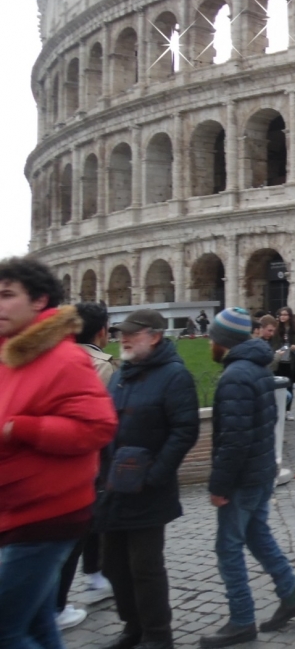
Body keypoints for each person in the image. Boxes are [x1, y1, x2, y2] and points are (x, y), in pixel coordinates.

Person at [0, 259, 118, 649]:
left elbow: (97, 426)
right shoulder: (10, 355)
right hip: (17, 507)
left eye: (7, 295)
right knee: (37, 625)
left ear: (39, 300)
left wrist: (21, 428)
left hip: (47, 513)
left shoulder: (63, 358)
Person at [202, 309, 295, 647]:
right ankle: (292, 595)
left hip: (244, 477)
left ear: (223, 341)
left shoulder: (235, 376)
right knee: (257, 535)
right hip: (261, 468)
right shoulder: (257, 367)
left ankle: (241, 620)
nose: (208, 344)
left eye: (211, 338)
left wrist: (220, 485)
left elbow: (234, 440)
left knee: (228, 547)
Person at [95, 309, 200, 649]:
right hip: (114, 485)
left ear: (154, 336)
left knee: (145, 567)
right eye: (120, 332)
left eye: (131, 333)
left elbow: (185, 431)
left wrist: (154, 475)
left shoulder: (174, 375)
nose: (122, 338)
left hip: (148, 488)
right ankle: (133, 626)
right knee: (113, 564)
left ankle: (157, 634)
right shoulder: (122, 373)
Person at [55, 302, 120, 630]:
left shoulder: (55, 359)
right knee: (79, 528)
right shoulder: (102, 366)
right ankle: (57, 604)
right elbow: (105, 418)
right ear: (101, 331)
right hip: (90, 459)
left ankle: (95, 576)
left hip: (60, 456)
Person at [270, 307, 295, 421]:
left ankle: (288, 410)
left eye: (285, 315)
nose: (282, 317)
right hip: (279, 360)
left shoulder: (294, 330)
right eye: (281, 314)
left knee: (289, 386)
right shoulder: (276, 329)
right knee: (278, 386)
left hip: (290, 361)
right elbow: (273, 344)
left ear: (289, 316)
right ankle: (278, 409)